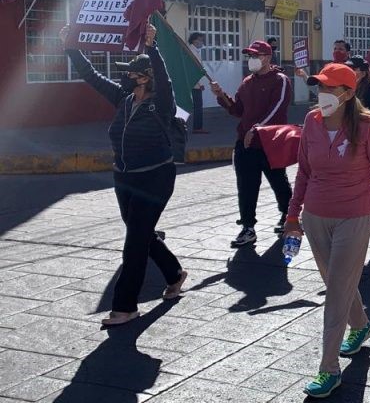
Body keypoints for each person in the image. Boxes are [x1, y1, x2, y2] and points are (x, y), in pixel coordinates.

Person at [283, 63, 370, 399]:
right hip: (315, 217)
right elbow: (303, 173)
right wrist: (293, 216)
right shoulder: (311, 121)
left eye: (328, 88)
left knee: (336, 290)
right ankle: (361, 324)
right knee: (335, 281)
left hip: (355, 215)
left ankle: (329, 369)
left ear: (348, 93)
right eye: (318, 88)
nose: (321, 95)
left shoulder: (367, 127)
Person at [62, 22, 186, 326]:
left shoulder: (161, 104)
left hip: (155, 177)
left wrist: (152, 47)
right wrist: (70, 47)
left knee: (134, 242)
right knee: (140, 233)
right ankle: (174, 272)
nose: (127, 76)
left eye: (133, 73)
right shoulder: (125, 99)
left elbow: (167, 81)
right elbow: (92, 76)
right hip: (125, 178)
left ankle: (125, 305)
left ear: (147, 78)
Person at [211, 40, 293, 246]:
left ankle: (289, 214)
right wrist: (221, 96)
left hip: (270, 143)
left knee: (278, 181)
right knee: (246, 186)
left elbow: (277, 109)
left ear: (267, 57)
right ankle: (248, 227)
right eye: (250, 56)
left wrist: (256, 128)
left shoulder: (280, 80)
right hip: (246, 144)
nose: (252, 60)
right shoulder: (247, 82)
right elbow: (238, 110)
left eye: (256, 56)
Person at [187, 32, 208, 134]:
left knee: (186, 105)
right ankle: (197, 127)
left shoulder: (192, 50)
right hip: (195, 83)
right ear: (194, 40)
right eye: (200, 40)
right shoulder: (192, 52)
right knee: (198, 106)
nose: (201, 42)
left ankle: (179, 126)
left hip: (190, 82)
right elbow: (195, 70)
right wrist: (200, 84)